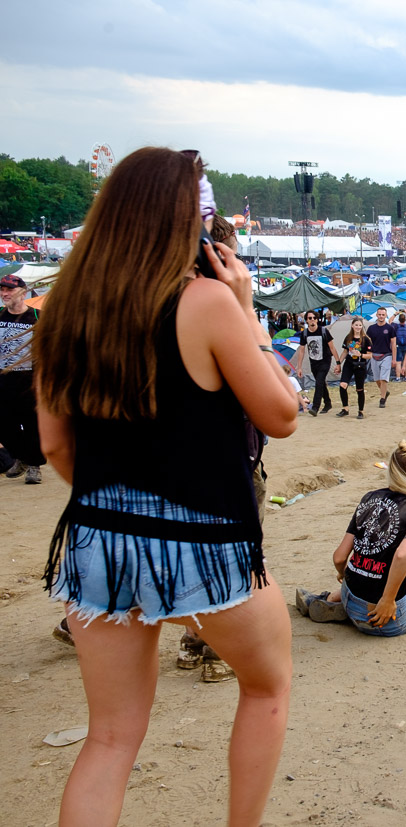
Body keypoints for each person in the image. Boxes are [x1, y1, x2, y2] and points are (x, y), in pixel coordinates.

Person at [33, 147, 299, 825]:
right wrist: (246, 311)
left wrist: (116, 505)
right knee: (266, 688)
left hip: (98, 538)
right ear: (190, 223)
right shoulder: (206, 302)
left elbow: (54, 444)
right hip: (205, 539)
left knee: (110, 736)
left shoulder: (62, 308)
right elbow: (282, 413)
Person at [297, 439, 406, 636]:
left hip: (350, 593)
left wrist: (344, 575)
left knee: (362, 583)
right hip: (383, 618)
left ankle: (333, 601)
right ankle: (375, 607)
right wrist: (387, 600)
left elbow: (340, 557)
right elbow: (402, 555)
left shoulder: (370, 497)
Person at [0, 273, 44, 484]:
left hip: (29, 380)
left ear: (23, 292)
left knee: (31, 424)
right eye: (2, 290)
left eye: (9, 289)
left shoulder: (37, 316)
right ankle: (21, 457)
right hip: (3, 379)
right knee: (5, 425)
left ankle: (34, 465)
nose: (4, 293)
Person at [296, 310, 339, 416]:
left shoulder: (324, 331)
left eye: (314, 318)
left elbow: (332, 347)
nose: (312, 320)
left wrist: (338, 362)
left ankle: (315, 407)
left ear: (317, 319)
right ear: (306, 320)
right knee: (321, 383)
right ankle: (328, 403)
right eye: (310, 318)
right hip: (313, 362)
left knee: (319, 382)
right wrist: (299, 367)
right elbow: (301, 351)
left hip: (325, 360)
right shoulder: (304, 333)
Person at [337, 317, 372, 419]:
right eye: (356, 325)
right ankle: (345, 408)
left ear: (362, 327)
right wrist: (338, 363)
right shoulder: (348, 338)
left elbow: (370, 355)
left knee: (359, 389)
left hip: (360, 365)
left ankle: (361, 411)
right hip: (349, 363)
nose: (358, 327)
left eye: (360, 325)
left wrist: (361, 354)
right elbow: (345, 352)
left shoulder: (366, 339)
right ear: (352, 326)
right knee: (343, 385)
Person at [367, 307, 397, 408]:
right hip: (374, 355)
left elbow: (393, 344)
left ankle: (382, 398)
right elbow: (368, 342)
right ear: (376, 315)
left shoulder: (390, 328)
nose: (381, 316)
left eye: (383, 315)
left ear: (386, 315)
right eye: (379, 314)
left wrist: (394, 359)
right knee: (377, 379)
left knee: (384, 378)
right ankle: (385, 392)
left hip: (386, 355)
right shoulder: (371, 329)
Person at [393, 311, 406, 383]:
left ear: (399, 320)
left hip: (398, 346)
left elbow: (389, 321)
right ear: (405, 320)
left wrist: (395, 314)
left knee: (398, 362)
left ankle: (398, 378)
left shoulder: (395, 326)